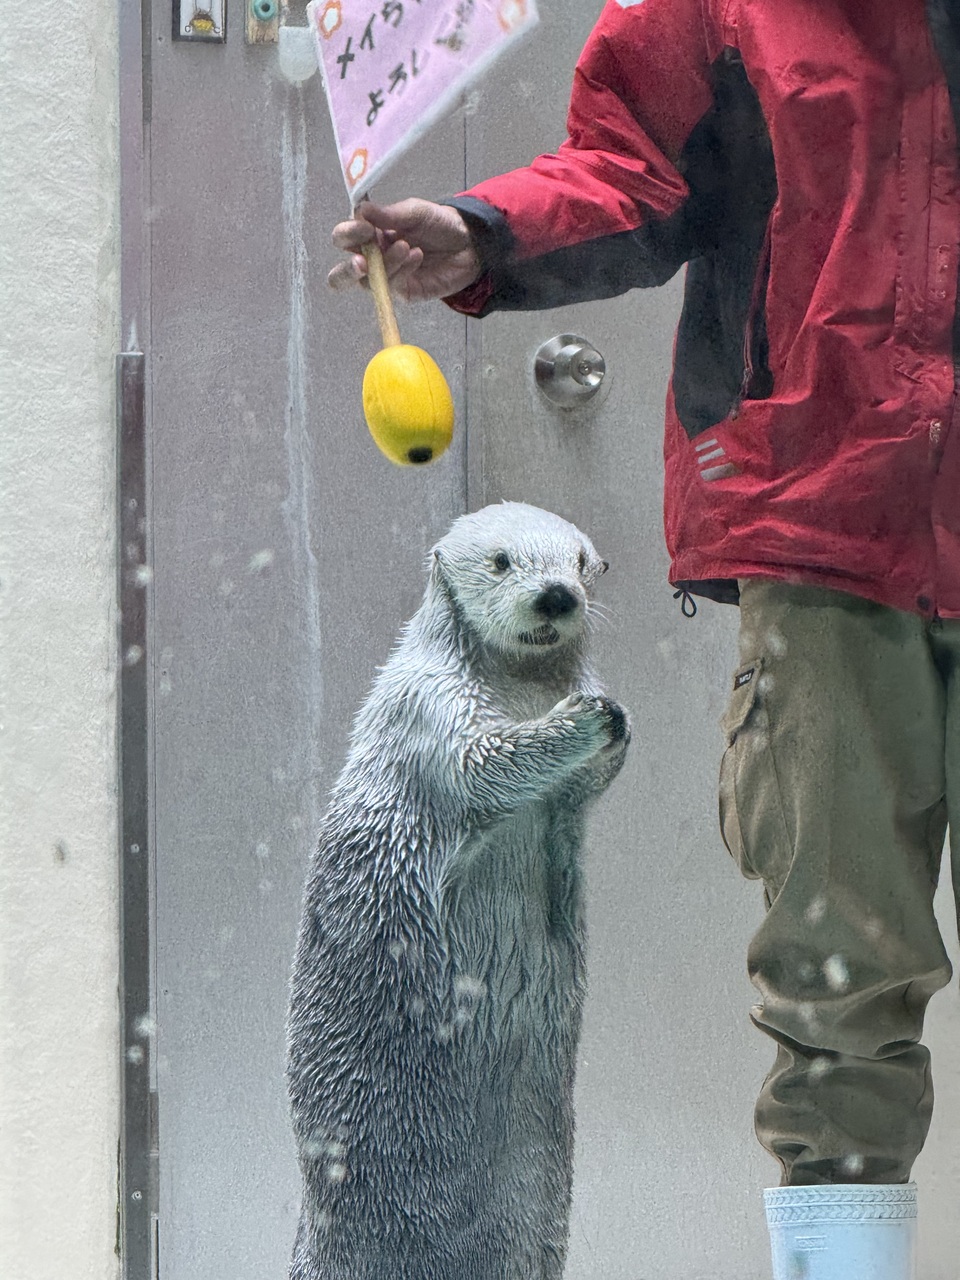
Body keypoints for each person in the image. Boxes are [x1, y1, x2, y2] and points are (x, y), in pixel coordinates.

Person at [329, 2, 960, 1276]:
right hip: (823, 516)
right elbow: (630, 170)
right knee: (837, 978)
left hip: (830, 508)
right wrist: (483, 233)